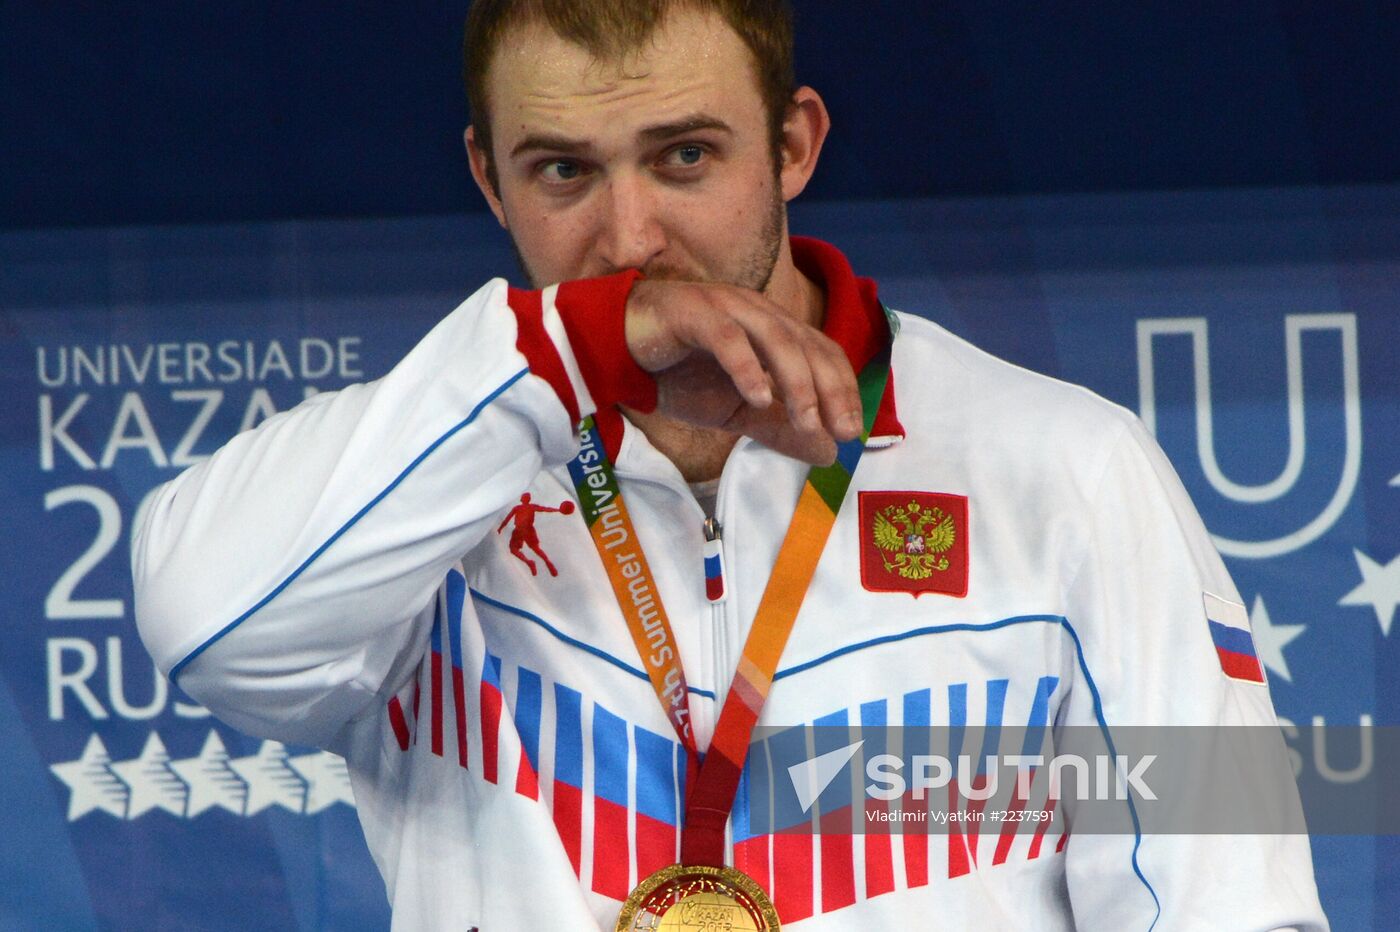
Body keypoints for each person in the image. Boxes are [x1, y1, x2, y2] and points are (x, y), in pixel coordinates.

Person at [132, 1, 1328, 928]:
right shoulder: (425, 475)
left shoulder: (1067, 469)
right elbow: (203, 621)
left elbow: (1226, 899)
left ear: (793, 145)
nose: (630, 237)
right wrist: (555, 364)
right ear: (488, 178)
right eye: (563, 171)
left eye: (685, 157)